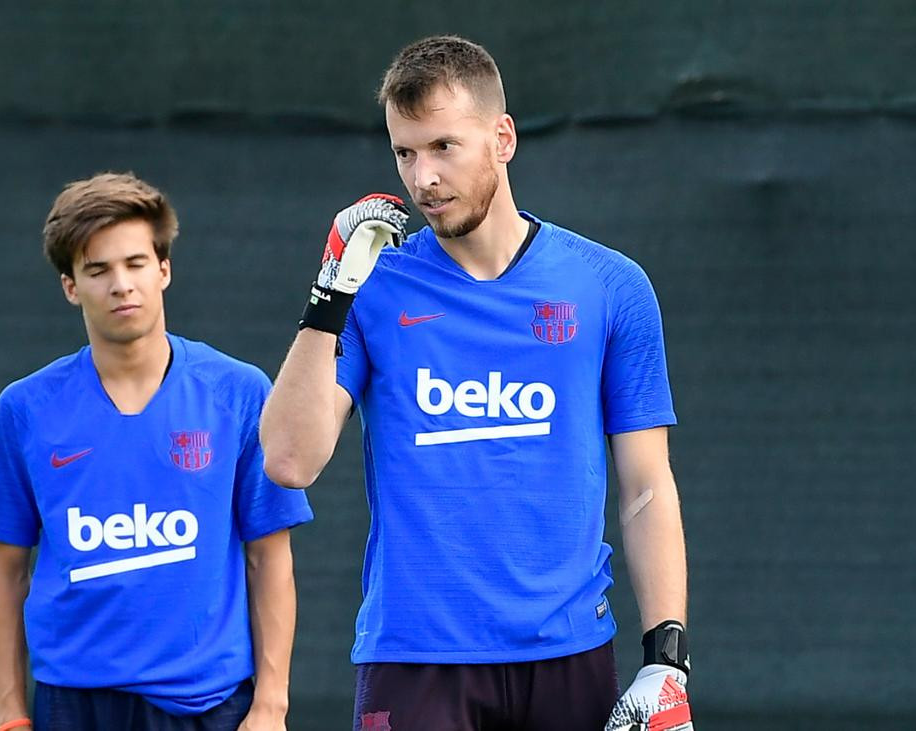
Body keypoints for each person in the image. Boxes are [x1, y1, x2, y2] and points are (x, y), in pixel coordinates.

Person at [260, 36, 691, 731]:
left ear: (503, 138)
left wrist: (666, 658)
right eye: (405, 153)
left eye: (443, 147)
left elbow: (646, 485)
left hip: (569, 653)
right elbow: (287, 460)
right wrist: (330, 293)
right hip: (415, 656)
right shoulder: (373, 287)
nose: (422, 177)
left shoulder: (611, 285)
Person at [0, 172, 313, 731]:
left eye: (135, 263)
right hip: (73, 706)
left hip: (210, 707)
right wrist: (9, 715)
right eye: (97, 270)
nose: (121, 285)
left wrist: (271, 704)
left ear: (164, 269)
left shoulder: (240, 393)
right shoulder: (24, 410)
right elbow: (4, 573)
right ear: (70, 286)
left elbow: (269, 557)